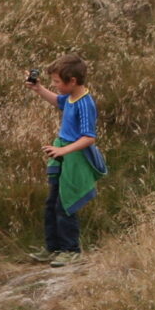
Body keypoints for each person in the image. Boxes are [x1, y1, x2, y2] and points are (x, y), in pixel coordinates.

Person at [28, 55, 100, 265]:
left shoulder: (85, 103)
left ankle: (71, 250)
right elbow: (59, 101)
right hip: (64, 153)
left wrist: (64, 151)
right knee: (52, 202)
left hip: (74, 158)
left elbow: (89, 137)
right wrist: (38, 89)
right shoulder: (70, 98)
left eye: (57, 82)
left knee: (66, 202)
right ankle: (53, 248)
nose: (55, 85)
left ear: (73, 81)